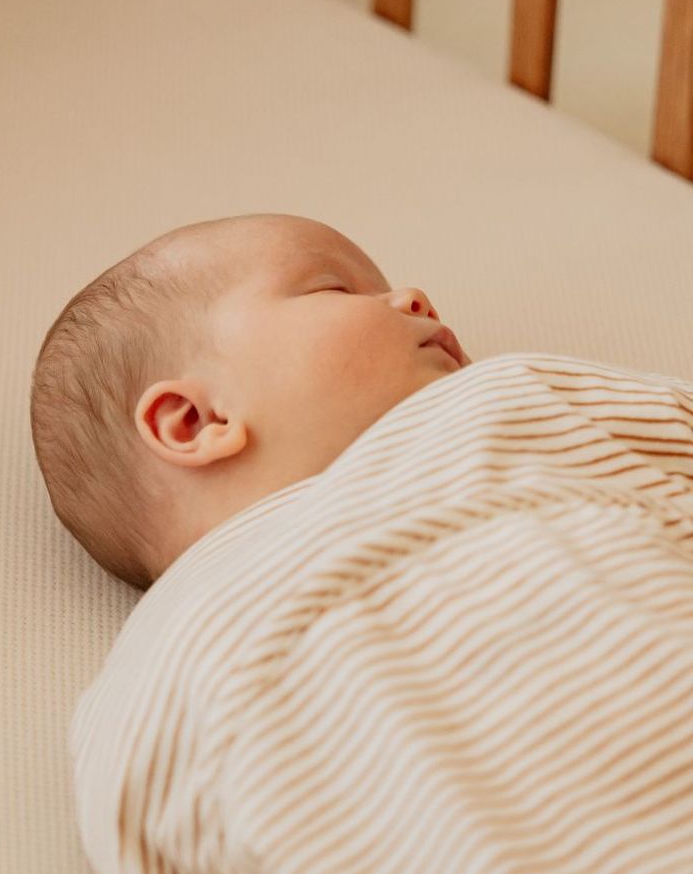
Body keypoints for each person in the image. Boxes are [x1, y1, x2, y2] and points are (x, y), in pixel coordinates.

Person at [29, 212, 471, 592]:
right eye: (333, 289)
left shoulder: (495, 408)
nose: (416, 298)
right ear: (196, 421)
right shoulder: (197, 635)